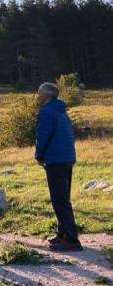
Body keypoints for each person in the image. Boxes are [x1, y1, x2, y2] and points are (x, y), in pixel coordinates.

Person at [35, 82, 81, 251]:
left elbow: (43, 136)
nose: (37, 96)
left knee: (59, 200)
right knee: (63, 197)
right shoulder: (62, 112)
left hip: (55, 159)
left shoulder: (47, 112)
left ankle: (71, 239)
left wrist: (39, 155)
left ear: (46, 96)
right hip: (67, 158)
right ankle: (62, 233)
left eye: (39, 93)